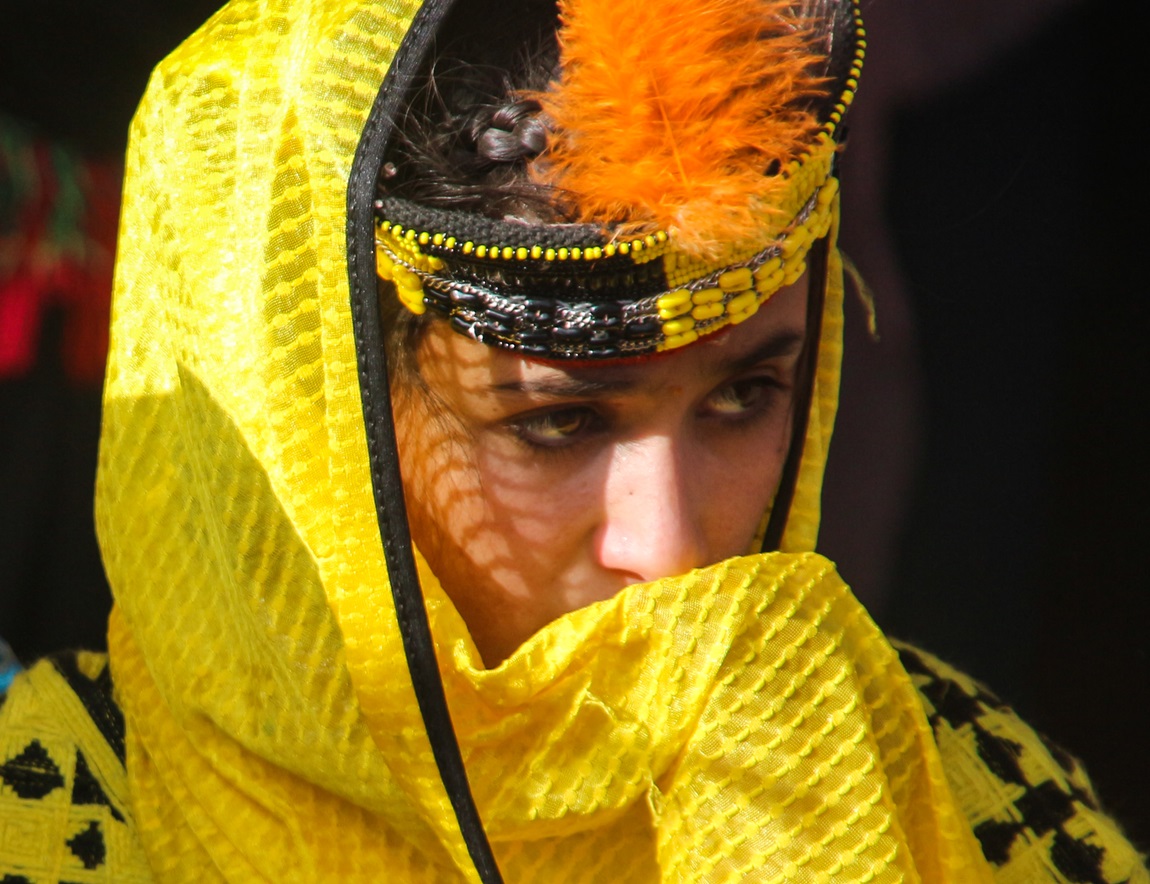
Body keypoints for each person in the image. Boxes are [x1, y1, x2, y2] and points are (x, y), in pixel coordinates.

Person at [0, 0, 1144, 881]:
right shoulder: (56, 812)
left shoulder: (966, 784)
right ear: (306, 424)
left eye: (746, 394)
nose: (672, 550)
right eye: (556, 422)